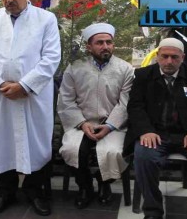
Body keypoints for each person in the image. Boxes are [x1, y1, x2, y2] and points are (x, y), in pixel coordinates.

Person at [0, 0, 61, 217]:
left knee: (36, 142)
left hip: (33, 95)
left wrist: (24, 85)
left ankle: (35, 191)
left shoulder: (45, 19)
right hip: (1, 95)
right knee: (3, 142)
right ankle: (6, 192)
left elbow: (51, 57)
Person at [126, 38, 187, 219]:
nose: (169, 61)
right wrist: (145, 130)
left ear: (183, 57)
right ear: (157, 56)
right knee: (143, 156)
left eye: (174, 57)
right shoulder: (143, 75)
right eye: (164, 56)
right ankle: (152, 212)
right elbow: (135, 106)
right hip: (156, 134)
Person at [57, 23, 134, 209]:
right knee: (72, 149)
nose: (105, 46)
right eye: (99, 43)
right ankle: (85, 187)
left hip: (113, 126)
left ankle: (103, 183)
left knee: (113, 152)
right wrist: (82, 124)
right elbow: (66, 100)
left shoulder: (125, 69)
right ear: (89, 47)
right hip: (81, 124)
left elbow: (125, 103)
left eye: (109, 42)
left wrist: (109, 126)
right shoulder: (74, 68)